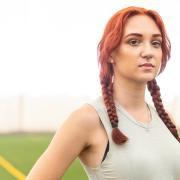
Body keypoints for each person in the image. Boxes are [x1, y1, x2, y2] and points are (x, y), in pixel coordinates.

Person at [26, 6, 180, 180]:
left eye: (156, 43)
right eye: (134, 42)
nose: (148, 52)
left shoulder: (167, 120)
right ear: (110, 53)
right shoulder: (87, 119)